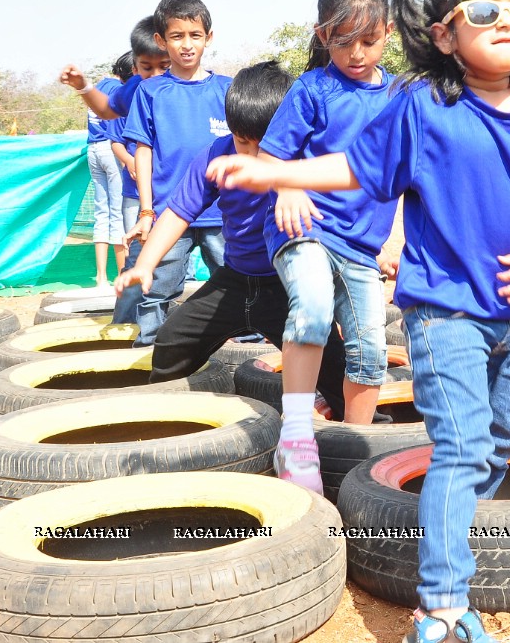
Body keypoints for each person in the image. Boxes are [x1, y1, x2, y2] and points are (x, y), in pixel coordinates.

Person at [207, 0, 510, 643]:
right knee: (460, 443)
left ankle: (441, 517)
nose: (508, 19)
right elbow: (354, 167)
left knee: (501, 438)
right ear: (443, 31)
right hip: (441, 311)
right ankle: (443, 602)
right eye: (484, 8)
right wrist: (275, 177)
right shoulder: (421, 105)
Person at [113, 61, 350, 416]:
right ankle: (159, 416)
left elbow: (346, 208)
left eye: (264, 146)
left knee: (333, 362)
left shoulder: (304, 162)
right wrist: (145, 264)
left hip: (287, 285)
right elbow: (178, 213)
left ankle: (354, 428)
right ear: (230, 130)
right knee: (171, 340)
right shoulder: (214, 156)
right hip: (233, 281)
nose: (251, 156)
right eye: (243, 142)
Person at [254, 0, 398, 490]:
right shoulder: (313, 89)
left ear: (389, 31)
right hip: (307, 229)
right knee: (312, 307)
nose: (357, 52)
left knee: (369, 350)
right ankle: (295, 438)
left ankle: (352, 455)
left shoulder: (400, 99)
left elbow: (406, 175)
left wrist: (395, 245)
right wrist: (288, 187)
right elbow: (272, 156)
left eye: (369, 39)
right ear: (322, 36)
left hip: (361, 247)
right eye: (343, 42)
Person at [121, 0, 229, 345]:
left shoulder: (229, 90)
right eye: (177, 36)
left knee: (238, 283)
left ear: (209, 37)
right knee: (157, 289)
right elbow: (143, 151)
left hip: (222, 213)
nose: (186, 45)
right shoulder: (150, 91)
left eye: (195, 35)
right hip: (169, 214)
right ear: (161, 40)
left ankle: (244, 349)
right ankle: (151, 346)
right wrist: (147, 211)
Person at [104, 18, 172, 323]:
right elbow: (120, 140)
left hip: (177, 196)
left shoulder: (188, 90)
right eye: (147, 67)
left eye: (164, 66)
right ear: (135, 66)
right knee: (137, 257)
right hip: (140, 195)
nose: (156, 75)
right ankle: (126, 324)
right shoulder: (133, 92)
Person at [82, 53, 131, 285]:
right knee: (119, 212)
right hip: (111, 148)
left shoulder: (97, 86)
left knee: (101, 212)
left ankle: (101, 277)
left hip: (92, 149)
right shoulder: (116, 88)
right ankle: (122, 273)